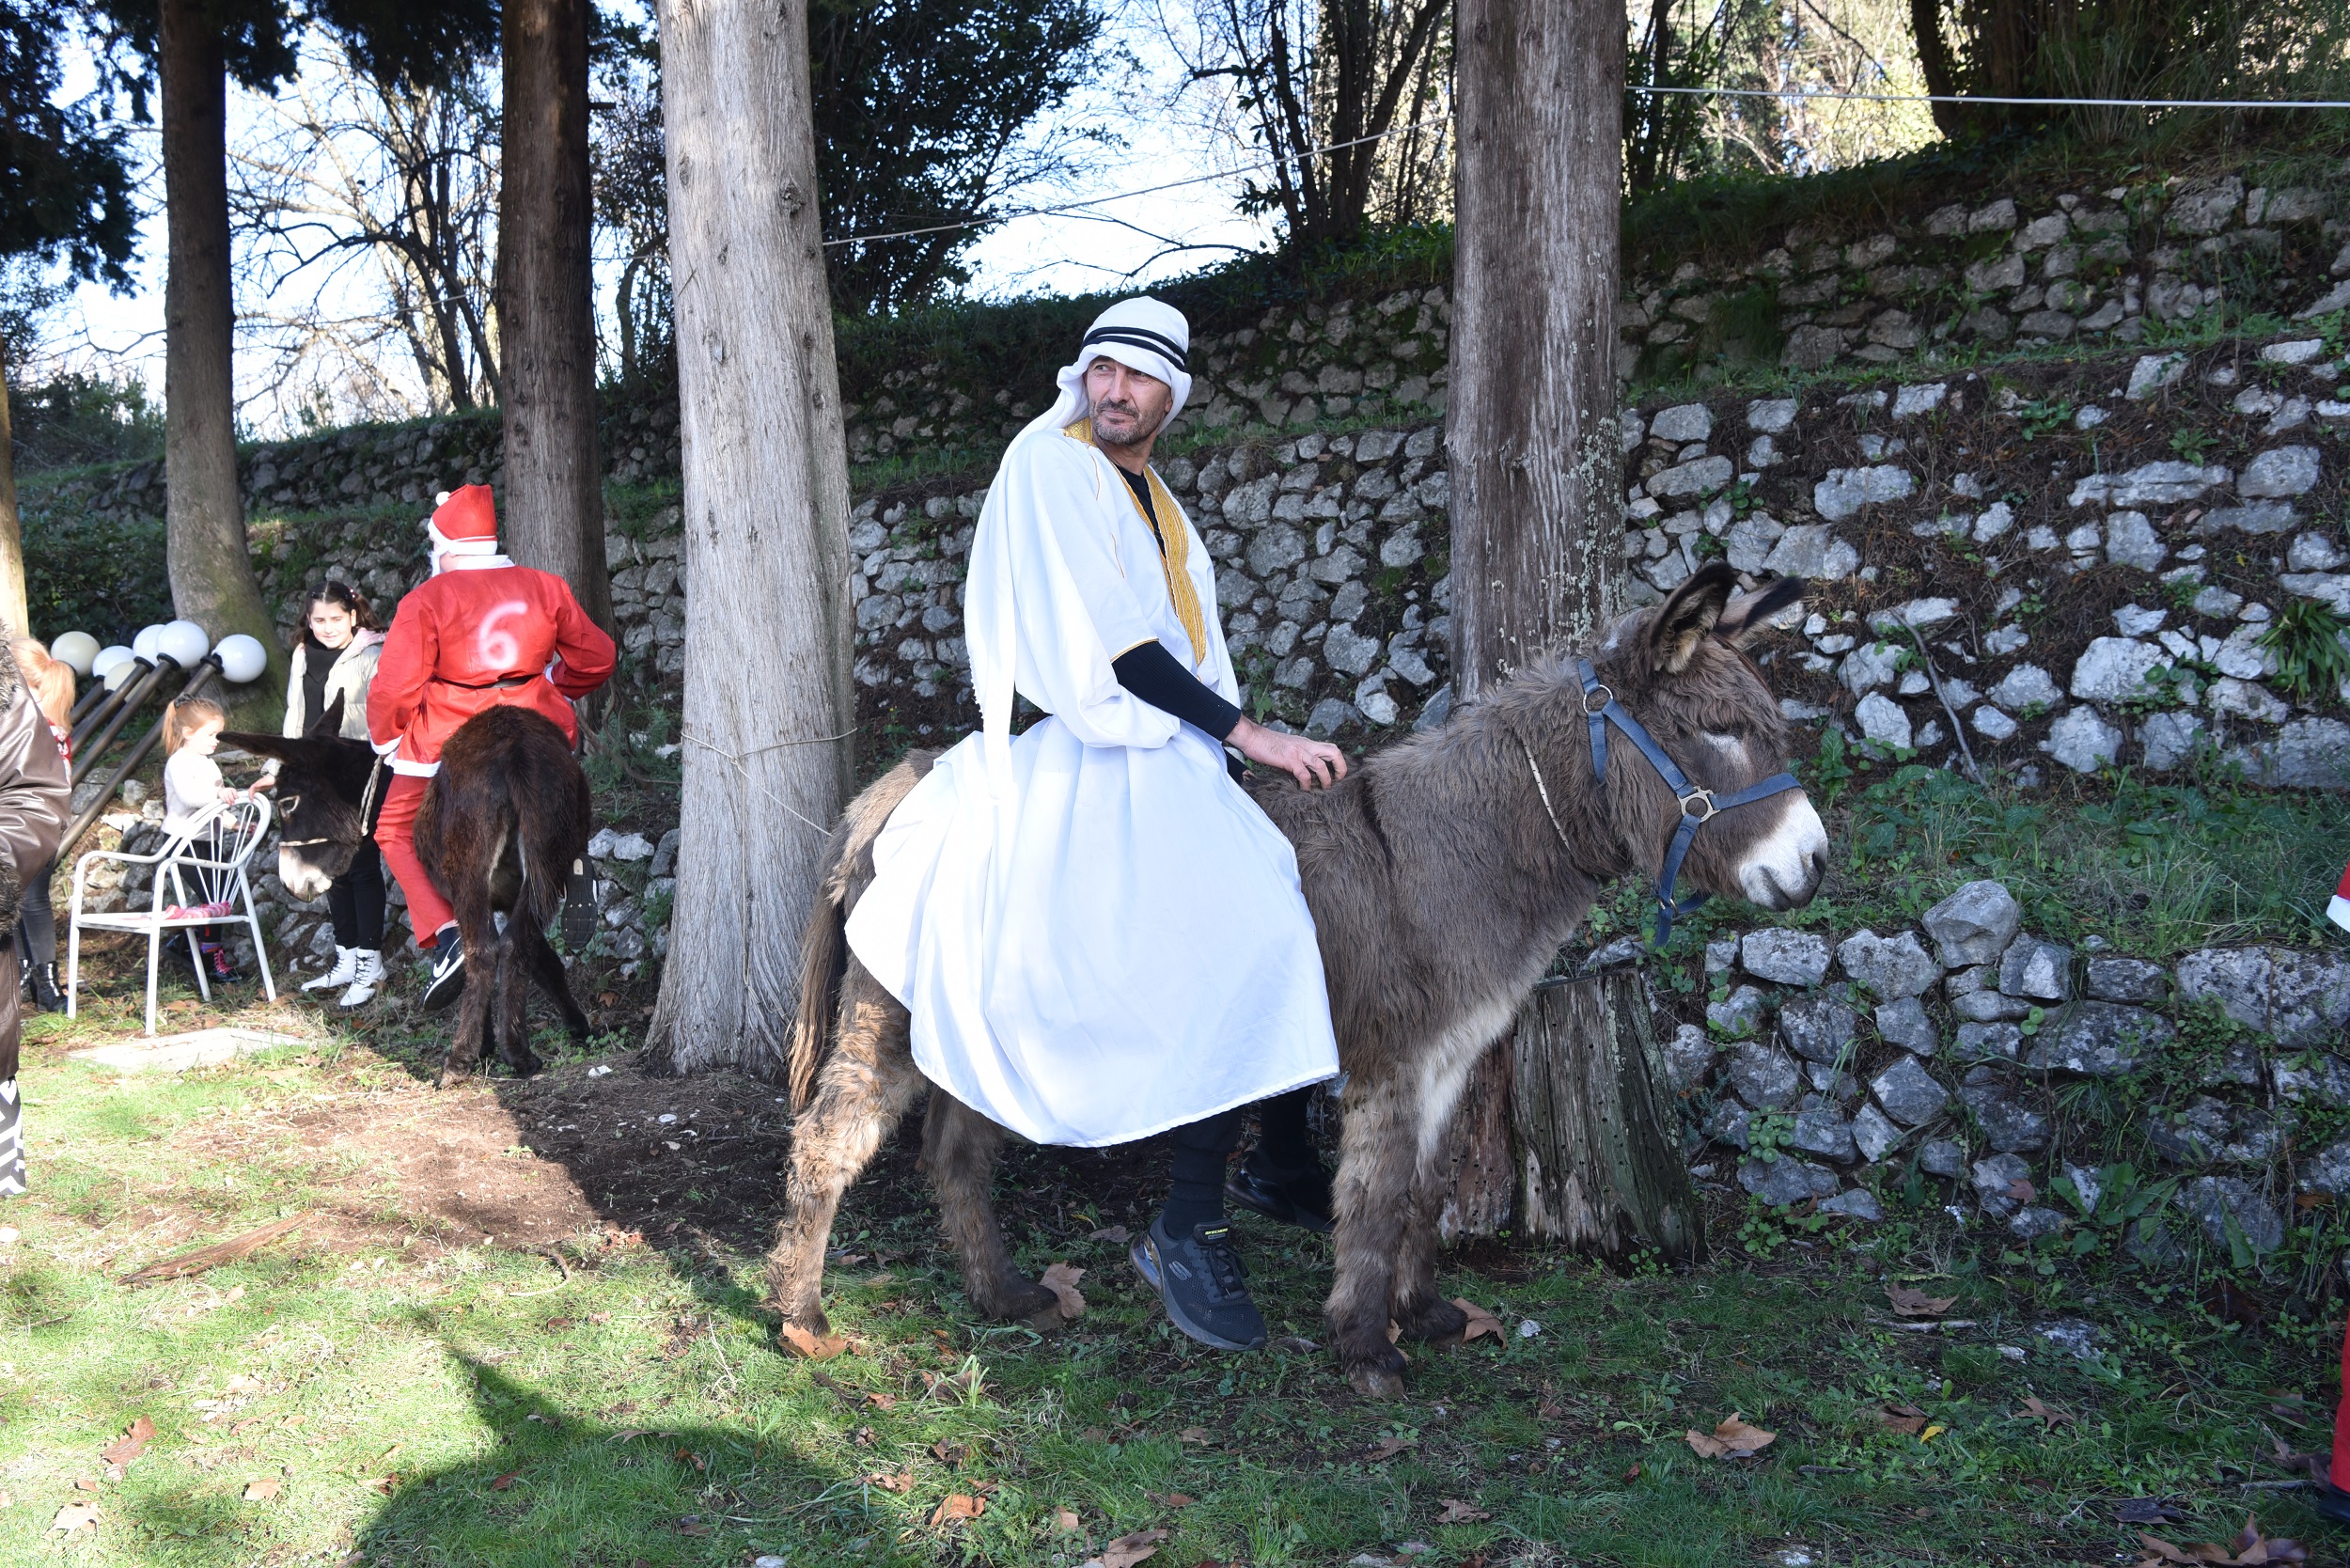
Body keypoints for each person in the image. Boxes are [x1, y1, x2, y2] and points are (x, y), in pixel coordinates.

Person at [845, 297, 1349, 1353]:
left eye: (1141, 376)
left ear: (1174, 395)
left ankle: (1283, 1165)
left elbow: (1184, 638)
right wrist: (1251, 736)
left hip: (1170, 750)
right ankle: (1187, 1223)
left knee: (1285, 907)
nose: (1116, 390)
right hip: (1112, 749)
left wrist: (1220, 742)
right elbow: (1124, 654)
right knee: (1239, 936)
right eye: (1103, 369)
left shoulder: (1153, 493)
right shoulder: (1055, 464)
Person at [368, 483, 616, 1008]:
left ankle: (448, 936)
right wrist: (553, 686)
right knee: (556, 796)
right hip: (533, 716)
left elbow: (394, 687)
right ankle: (570, 862)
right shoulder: (545, 585)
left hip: (454, 730)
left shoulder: (426, 598)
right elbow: (597, 656)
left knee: (391, 829)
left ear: (445, 546)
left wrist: (389, 737)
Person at [259, 581, 387, 1008]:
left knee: (363, 864)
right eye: (319, 620)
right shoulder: (301, 655)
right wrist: (277, 767)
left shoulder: (373, 654)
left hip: (356, 770)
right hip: (312, 775)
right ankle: (347, 957)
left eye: (336, 619)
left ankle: (372, 963)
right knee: (329, 862)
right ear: (308, 620)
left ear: (353, 616)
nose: (328, 628)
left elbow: (383, 717)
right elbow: (295, 714)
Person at [0, 639, 74, 1196]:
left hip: (21, 858)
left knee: (35, 904)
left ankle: (44, 979)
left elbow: (36, 793)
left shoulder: (29, 714)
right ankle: (41, 978)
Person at [161, 697, 249, 981]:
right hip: (182, 842)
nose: (216, 741)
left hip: (207, 842)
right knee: (213, 896)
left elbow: (216, 808)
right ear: (188, 733)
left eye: (218, 735)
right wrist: (217, 795)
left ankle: (186, 943)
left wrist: (234, 823)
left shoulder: (210, 765)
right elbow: (190, 797)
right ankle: (211, 957)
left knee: (223, 893)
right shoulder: (179, 762)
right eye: (210, 735)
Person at [10, 638, 72, 1012]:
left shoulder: (34, 723)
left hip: (32, 821)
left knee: (30, 902)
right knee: (18, 901)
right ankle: (26, 978)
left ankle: (47, 985)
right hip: (33, 819)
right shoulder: (39, 718)